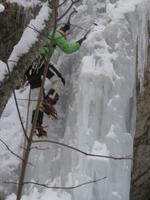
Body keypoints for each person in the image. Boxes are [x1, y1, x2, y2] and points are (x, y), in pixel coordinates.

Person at [24, 23, 86, 137]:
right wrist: (81, 42)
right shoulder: (56, 34)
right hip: (40, 63)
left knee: (38, 95)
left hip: (28, 69)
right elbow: (68, 49)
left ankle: (36, 124)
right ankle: (49, 102)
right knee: (59, 81)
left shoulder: (42, 33)